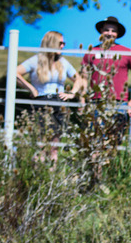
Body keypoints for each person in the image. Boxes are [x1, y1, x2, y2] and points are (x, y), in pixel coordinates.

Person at [15, 30, 82, 160]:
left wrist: (71, 93)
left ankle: (52, 177)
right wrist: (31, 89)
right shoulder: (35, 60)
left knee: (54, 146)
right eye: (60, 43)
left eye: (64, 43)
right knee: (40, 145)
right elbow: (15, 72)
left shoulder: (63, 62)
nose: (63, 46)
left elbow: (78, 79)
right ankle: (38, 175)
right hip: (41, 102)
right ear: (51, 43)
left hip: (59, 103)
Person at [80, 15, 131, 141]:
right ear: (101, 31)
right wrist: (82, 100)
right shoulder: (92, 51)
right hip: (96, 102)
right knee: (95, 140)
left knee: (114, 141)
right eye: (107, 30)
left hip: (119, 103)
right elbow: (83, 77)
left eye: (113, 31)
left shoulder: (126, 52)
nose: (110, 33)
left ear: (117, 34)